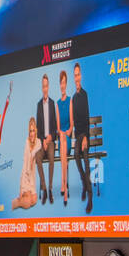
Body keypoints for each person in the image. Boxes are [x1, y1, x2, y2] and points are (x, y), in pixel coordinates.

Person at [72, 63, 93, 213]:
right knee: (75, 154)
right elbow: (75, 122)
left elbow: (86, 117)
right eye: (75, 75)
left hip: (85, 135)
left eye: (78, 74)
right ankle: (84, 183)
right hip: (78, 136)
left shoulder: (84, 95)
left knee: (85, 158)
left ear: (81, 76)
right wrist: (78, 139)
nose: (77, 77)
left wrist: (85, 137)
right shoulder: (73, 98)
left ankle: (90, 197)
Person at [35, 73, 58, 204]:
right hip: (42, 142)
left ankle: (50, 188)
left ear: (48, 87)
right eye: (43, 86)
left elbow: (55, 128)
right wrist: (42, 140)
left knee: (51, 159)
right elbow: (38, 128)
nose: (45, 88)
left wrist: (50, 138)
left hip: (50, 142)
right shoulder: (39, 105)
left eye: (46, 86)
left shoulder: (52, 104)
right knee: (37, 158)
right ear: (42, 87)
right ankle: (44, 189)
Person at [12, 118, 42, 210]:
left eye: (33, 131)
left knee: (34, 200)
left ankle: (18, 201)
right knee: (28, 202)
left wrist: (33, 189)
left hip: (31, 179)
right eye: (30, 131)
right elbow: (25, 165)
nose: (32, 133)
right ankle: (15, 203)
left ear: (36, 131)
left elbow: (34, 153)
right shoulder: (27, 142)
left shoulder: (38, 142)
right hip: (26, 178)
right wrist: (21, 188)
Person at [56, 70, 72, 206]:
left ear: (66, 84)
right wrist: (61, 133)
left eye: (64, 83)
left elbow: (71, 125)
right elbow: (57, 127)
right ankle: (64, 187)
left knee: (64, 140)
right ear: (59, 84)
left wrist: (67, 132)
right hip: (61, 139)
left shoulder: (70, 100)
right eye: (61, 83)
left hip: (67, 138)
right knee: (61, 138)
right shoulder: (57, 104)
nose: (62, 85)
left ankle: (63, 184)